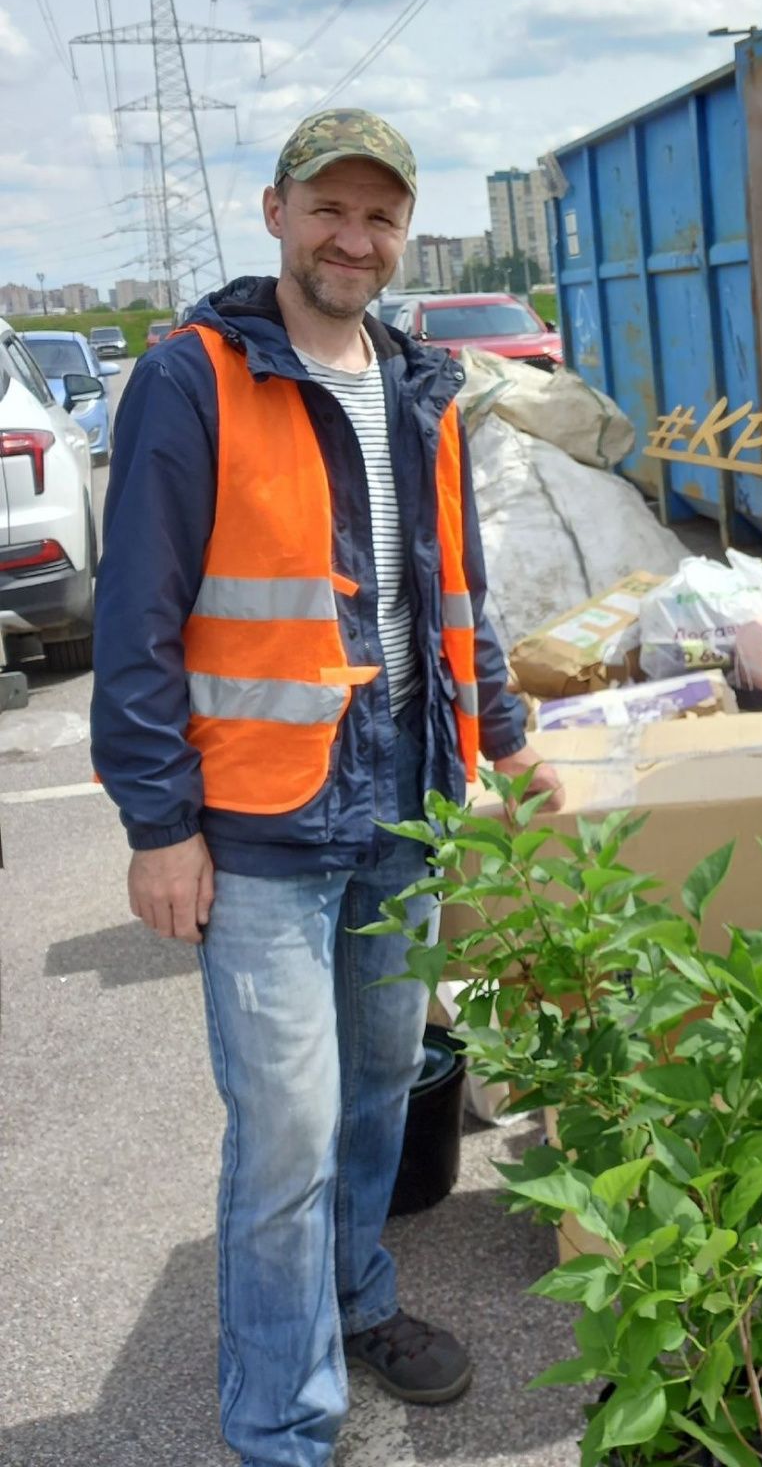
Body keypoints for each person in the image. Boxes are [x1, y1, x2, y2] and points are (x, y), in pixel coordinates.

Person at [91, 110, 563, 1467]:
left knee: (376, 1089)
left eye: (380, 216)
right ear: (276, 212)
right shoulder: (196, 378)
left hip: (402, 804)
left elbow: (452, 582)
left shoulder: (421, 380)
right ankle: (285, 1427)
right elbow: (138, 619)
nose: (355, 239)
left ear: (404, 230)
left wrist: (507, 732)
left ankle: (356, 1301)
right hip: (261, 827)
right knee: (286, 1131)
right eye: (330, 211)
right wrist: (159, 823)